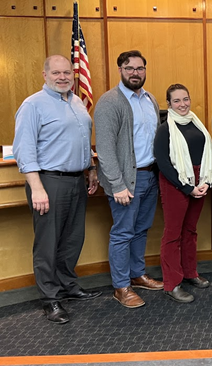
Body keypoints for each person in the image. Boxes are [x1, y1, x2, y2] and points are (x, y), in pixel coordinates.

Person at [13, 55, 101, 324]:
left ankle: (68, 286)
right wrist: (37, 188)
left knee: (72, 239)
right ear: (45, 75)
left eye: (67, 73)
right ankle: (50, 298)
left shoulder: (76, 102)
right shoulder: (33, 105)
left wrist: (91, 169)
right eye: (57, 73)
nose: (63, 77)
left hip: (77, 179)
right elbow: (24, 149)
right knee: (48, 243)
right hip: (49, 182)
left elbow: (82, 141)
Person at [94, 50, 163, 308]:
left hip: (149, 177)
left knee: (141, 230)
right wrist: (117, 184)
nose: (135, 73)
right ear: (120, 70)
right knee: (123, 233)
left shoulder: (150, 100)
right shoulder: (109, 102)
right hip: (126, 181)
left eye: (140, 68)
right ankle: (121, 287)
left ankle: (137, 274)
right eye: (129, 68)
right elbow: (106, 148)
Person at [154, 84, 212, 303]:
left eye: (185, 99)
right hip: (176, 183)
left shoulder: (196, 122)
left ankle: (190, 273)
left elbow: (206, 154)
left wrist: (206, 181)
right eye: (177, 101)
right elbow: (162, 162)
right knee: (173, 234)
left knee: (190, 230)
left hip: (200, 182)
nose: (183, 104)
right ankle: (172, 283)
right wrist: (187, 188)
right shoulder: (165, 129)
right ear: (169, 104)